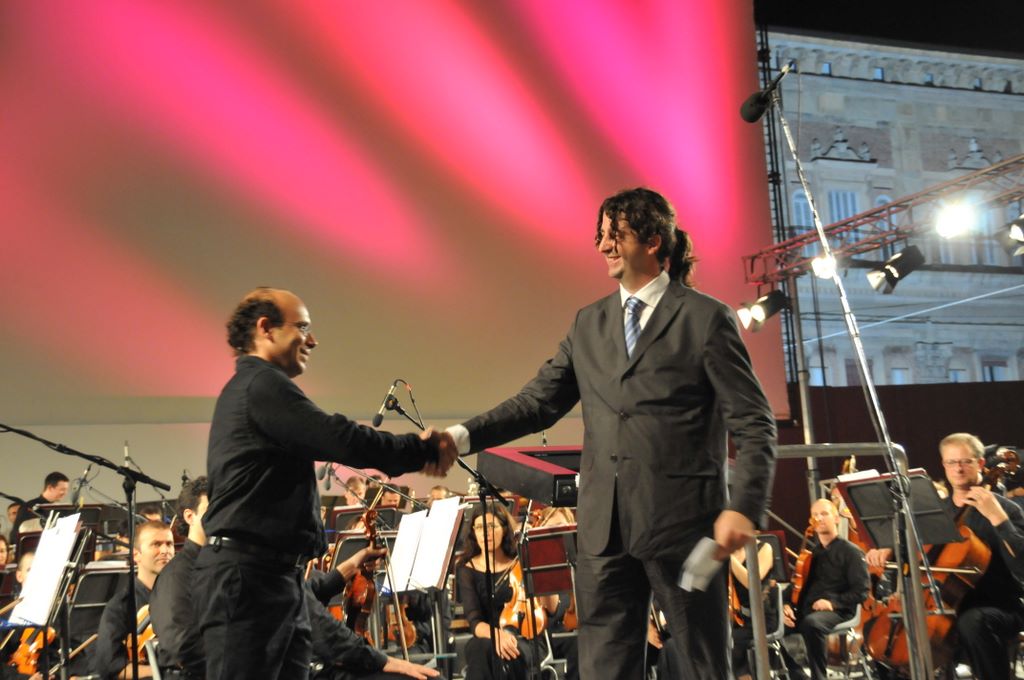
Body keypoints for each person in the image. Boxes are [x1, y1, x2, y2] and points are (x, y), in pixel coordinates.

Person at [445, 187, 777, 679]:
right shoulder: (589, 323)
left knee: (702, 667)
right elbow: (537, 403)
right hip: (604, 532)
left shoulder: (706, 318)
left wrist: (744, 506)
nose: (603, 246)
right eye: (601, 235)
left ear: (653, 241)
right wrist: (460, 436)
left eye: (615, 235)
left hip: (683, 527)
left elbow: (754, 421)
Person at [194, 287, 458, 680]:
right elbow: (339, 437)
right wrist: (418, 450)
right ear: (265, 328)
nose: (312, 340)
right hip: (249, 584)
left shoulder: (259, 388)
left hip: (273, 581)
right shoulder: (262, 385)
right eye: (302, 327)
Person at [866, 432, 1024, 680]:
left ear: (981, 463)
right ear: (943, 465)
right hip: (944, 606)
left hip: (999, 605)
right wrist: (890, 548)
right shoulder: (938, 513)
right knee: (889, 630)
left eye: (966, 461)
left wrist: (998, 519)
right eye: (952, 462)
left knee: (972, 622)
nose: (958, 469)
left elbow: (1022, 566)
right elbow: (920, 558)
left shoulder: (1006, 509)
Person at [457, 503, 557, 680]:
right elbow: (475, 621)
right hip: (487, 636)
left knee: (503, 655)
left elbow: (551, 608)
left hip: (526, 637)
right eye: (479, 527)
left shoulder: (522, 559)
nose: (485, 533)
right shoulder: (466, 569)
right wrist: (498, 636)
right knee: (480, 648)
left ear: (504, 529)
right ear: (473, 532)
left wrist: (539, 561)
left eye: (491, 526)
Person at [783, 499, 868, 680]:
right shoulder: (812, 554)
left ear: (836, 518)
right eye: (815, 515)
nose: (819, 518)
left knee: (812, 623)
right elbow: (796, 585)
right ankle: (796, 673)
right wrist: (785, 604)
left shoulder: (851, 552)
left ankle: (818, 677)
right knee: (769, 623)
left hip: (839, 611)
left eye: (824, 514)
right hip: (807, 610)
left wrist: (832, 603)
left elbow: (861, 591)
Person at [92, 520, 175, 679]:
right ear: (136, 555)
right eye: (156, 544)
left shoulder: (186, 596)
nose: (165, 551)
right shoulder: (120, 606)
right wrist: (164, 673)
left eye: (169, 544)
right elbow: (111, 666)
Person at [149, 477, 209, 679]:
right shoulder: (177, 574)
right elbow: (182, 644)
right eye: (212, 509)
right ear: (190, 516)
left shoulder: (224, 563)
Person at [728, 539, 776, 680]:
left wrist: (729, 558)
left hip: (760, 619)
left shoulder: (764, 548)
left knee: (730, 640)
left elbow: (752, 582)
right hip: (735, 618)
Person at [9, 472, 69, 541]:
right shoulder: (29, 507)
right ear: (50, 488)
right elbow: (15, 535)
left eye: (66, 490)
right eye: (62, 489)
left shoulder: (61, 508)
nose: (65, 493)